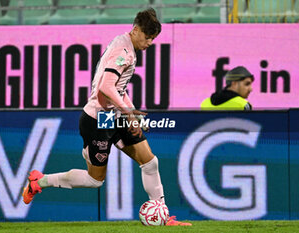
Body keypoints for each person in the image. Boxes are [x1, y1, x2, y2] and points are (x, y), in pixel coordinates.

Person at [22, 8, 191, 226]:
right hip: (97, 121)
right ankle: (40, 181)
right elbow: (106, 87)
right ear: (136, 30)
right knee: (94, 181)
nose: (150, 43)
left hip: (113, 116)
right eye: (148, 37)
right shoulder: (124, 52)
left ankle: (164, 217)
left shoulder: (125, 44)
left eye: (153, 39)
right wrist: (129, 114)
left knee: (150, 162)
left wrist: (132, 113)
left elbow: (118, 90)